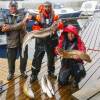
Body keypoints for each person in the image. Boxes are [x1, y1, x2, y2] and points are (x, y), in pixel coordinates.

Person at [30, 1, 63, 83]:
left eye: (49, 6)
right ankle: (34, 74)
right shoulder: (38, 16)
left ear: (51, 7)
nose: (47, 8)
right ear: (43, 7)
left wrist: (57, 26)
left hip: (52, 41)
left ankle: (51, 72)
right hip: (40, 40)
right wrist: (38, 29)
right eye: (46, 7)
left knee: (51, 58)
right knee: (37, 58)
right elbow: (34, 27)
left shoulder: (55, 16)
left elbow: (61, 25)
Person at [1, 0, 30, 80]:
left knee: (24, 57)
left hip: (23, 39)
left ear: (17, 7)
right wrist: (20, 24)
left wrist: (10, 27)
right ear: (9, 7)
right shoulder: (4, 15)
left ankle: (23, 71)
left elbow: (28, 16)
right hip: (11, 40)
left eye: (15, 6)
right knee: (11, 58)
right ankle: (11, 72)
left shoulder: (23, 12)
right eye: (12, 6)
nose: (13, 8)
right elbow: (3, 27)